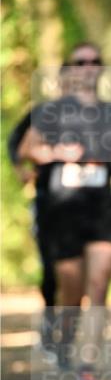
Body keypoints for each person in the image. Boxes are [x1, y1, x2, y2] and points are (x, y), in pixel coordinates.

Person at [19, 43, 111, 380]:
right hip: (63, 207)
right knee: (71, 290)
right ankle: (65, 337)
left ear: (101, 69)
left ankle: (88, 368)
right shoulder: (52, 111)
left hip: (102, 205)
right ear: (70, 70)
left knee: (99, 284)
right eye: (80, 62)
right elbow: (29, 149)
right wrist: (57, 153)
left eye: (95, 61)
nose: (88, 67)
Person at [7, 108, 57, 352]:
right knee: (51, 270)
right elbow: (16, 141)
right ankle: (50, 325)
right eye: (79, 66)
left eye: (92, 66)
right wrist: (20, 168)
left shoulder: (100, 113)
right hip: (48, 202)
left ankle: (70, 338)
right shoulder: (44, 111)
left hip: (91, 209)